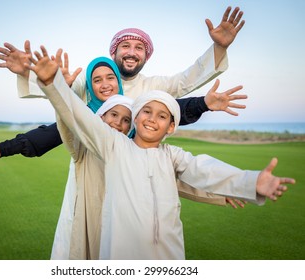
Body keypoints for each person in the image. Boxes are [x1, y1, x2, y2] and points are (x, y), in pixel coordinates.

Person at [27, 45, 295, 259]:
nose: (152, 119)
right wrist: (53, 84)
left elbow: (202, 171)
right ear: (137, 117)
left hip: (168, 256)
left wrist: (250, 182)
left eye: (162, 115)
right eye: (145, 111)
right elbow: (77, 118)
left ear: (171, 126)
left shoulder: (172, 156)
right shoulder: (114, 147)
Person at [0, 55, 238, 259]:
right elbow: (61, 125)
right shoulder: (85, 134)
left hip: (127, 216)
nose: (117, 122)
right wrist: (57, 88)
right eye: (97, 80)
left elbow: (166, 168)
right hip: (88, 208)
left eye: (125, 118)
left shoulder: (138, 142)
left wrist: (215, 192)